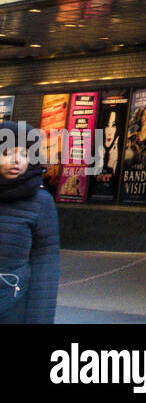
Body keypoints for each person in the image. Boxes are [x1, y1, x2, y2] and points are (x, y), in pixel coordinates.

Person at [0, 123, 59, 323]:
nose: (16, 160)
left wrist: (40, 319)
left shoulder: (41, 201)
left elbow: (46, 265)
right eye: (7, 152)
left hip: (12, 307)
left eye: (24, 154)